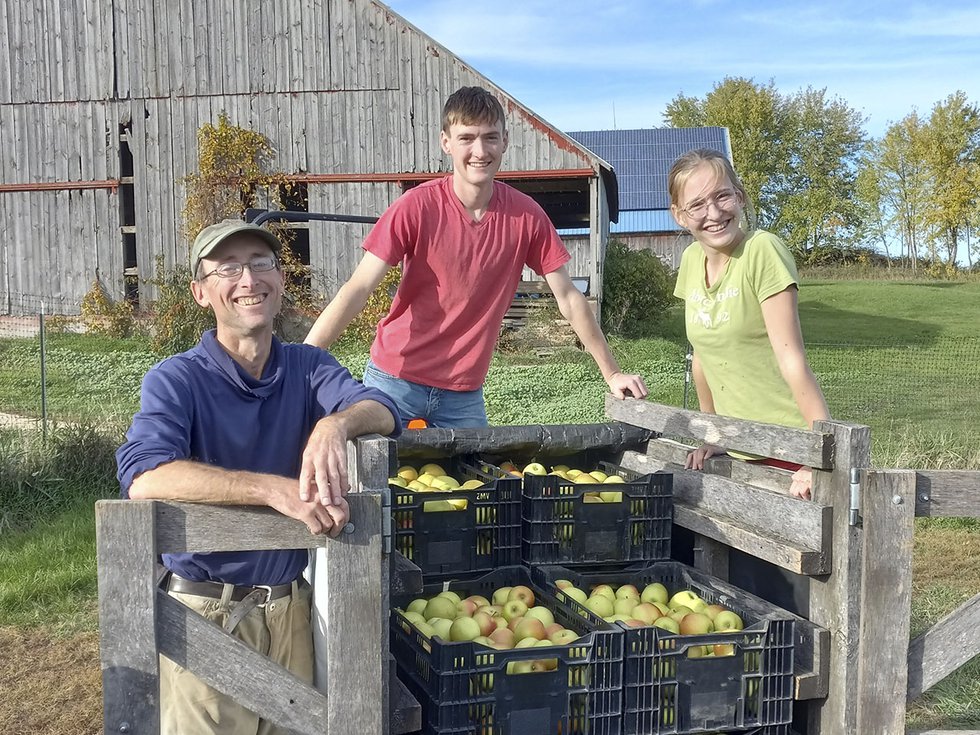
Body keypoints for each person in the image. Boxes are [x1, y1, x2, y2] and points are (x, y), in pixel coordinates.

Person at [116, 219, 401, 735]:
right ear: (202, 292)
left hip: (290, 612)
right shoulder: (176, 379)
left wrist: (335, 424)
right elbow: (145, 475)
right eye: (228, 268)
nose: (248, 279)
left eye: (261, 263)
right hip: (205, 614)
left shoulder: (308, 367)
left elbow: (381, 408)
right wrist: (271, 490)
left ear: (281, 279)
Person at [304, 86, 648, 428]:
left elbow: (570, 298)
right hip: (395, 382)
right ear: (446, 142)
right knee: (381, 476)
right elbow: (359, 287)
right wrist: (304, 361)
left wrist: (612, 372)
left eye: (490, 137)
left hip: (463, 395)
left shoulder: (526, 217)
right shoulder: (416, 207)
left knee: (473, 482)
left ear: (505, 141)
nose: (479, 151)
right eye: (466, 138)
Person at [668, 148, 830, 499]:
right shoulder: (691, 260)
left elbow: (792, 360)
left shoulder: (762, 250)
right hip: (739, 445)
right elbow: (702, 359)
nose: (713, 213)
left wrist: (818, 458)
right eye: (697, 205)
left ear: (739, 197)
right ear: (679, 215)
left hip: (788, 450)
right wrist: (712, 434)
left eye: (722, 196)